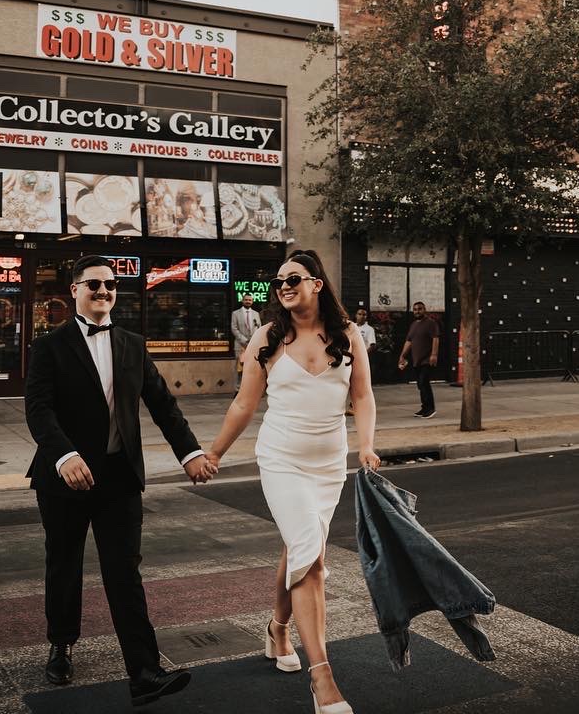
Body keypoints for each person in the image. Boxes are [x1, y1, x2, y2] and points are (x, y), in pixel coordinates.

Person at [24, 255, 217, 707]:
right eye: (93, 285)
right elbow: (38, 409)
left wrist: (190, 453)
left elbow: (163, 405)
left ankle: (145, 673)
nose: (103, 292)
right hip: (64, 478)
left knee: (124, 573)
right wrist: (64, 455)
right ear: (75, 290)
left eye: (110, 285)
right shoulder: (50, 346)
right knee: (64, 564)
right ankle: (61, 644)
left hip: (118, 478)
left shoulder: (132, 343)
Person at [205, 249, 380, 714]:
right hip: (280, 460)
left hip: (329, 467)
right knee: (311, 557)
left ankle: (277, 628)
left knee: (300, 551)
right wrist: (215, 453)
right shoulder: (266, 337)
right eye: (278, 281)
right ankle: (322, 678)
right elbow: (243, 405)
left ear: (317, 284)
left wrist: (365, 444)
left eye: (294, 278)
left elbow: (362, 396)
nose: (283, 286)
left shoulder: (347, 336)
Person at [397, 301, 440, 418]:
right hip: (417, 360)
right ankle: (424, 408)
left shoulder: (431, 323)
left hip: (427, 359)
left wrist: (434, 354)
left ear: (424, 310)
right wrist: (402, 355)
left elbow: (435, 339)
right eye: (415, 309)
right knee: (420, 385)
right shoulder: (413, 325)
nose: (417, 311)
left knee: (424, 383)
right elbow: (408, 341)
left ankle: (430, 409)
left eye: (420, 309)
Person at [349, 307, 378, 416]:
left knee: (359, 383)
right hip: (350, 359)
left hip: (362, 360)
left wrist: (362, 355)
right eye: (360, 314)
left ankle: (358, 407)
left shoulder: (369, 329)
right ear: (356, 315)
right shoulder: (352, 327)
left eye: (364, 314)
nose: (362, 316)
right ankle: (352, 406)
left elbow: (372, 345)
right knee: (349, 383)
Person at [231, 293, 260, 382]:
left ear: (252, 301)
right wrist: (245, 340)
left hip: (252, 346)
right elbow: (234, 328)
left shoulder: (256, 314)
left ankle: (249, 389)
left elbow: (259, 328)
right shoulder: (235, 313)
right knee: (239, 369)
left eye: (250, 300)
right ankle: (237, 390)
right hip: (240, 346)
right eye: (246, 300)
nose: (248, 302)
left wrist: (253, 341)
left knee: (251, 368)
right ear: (242, 301)